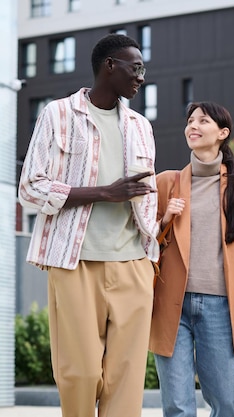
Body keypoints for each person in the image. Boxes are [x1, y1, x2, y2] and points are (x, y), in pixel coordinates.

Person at [18, 33, 158, 417]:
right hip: (74, 261)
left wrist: (151, 256)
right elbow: (30, 188)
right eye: (136, 68)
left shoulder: (141, 126)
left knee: (126, 379)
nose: (141, 77)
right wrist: (103, 193)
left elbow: (149, 196)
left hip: (133, 264)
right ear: (110, 65)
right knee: (78, 374)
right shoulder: (57, 114)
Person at [149, 101, 234, 417]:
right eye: (189, 121)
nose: (193, 126)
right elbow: (144, 243)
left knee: (227, 402)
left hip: (221, 307)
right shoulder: (166, 183)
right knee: (177, 406)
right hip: (171, 303)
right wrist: (164, 223)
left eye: (203, 121)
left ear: (223, 133)